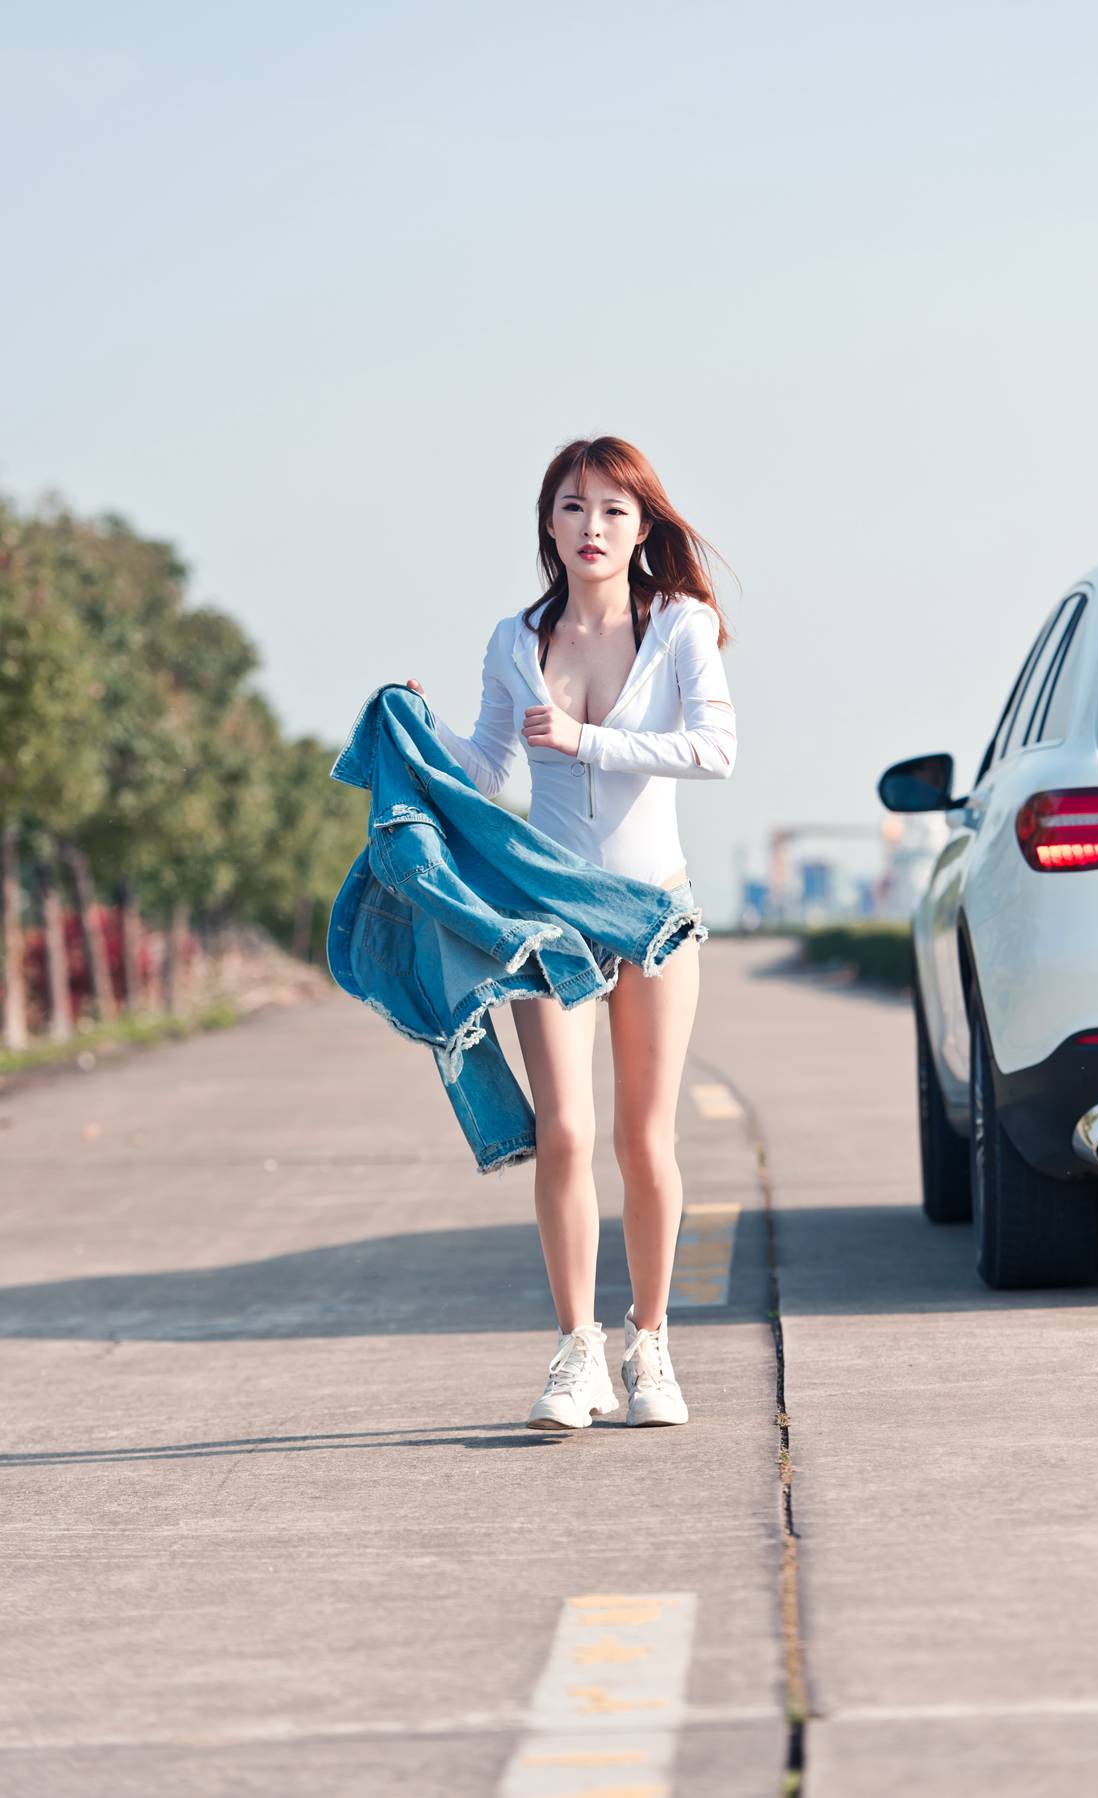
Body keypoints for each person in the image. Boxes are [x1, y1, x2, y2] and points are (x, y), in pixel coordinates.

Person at [405, 435, 737, 1431]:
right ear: (547, 524)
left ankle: (652, 1346)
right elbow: (488, 768)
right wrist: (425, 737)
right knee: (566, 1133)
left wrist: (590, 738)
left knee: (644, 1137)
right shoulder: (516, 640)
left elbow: (716, 749)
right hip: (547, 917)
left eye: (613, 510)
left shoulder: (681, 625)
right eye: (572, 507)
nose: (592, 528)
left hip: (653, 914)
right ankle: (575, 1351)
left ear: (644, 528)